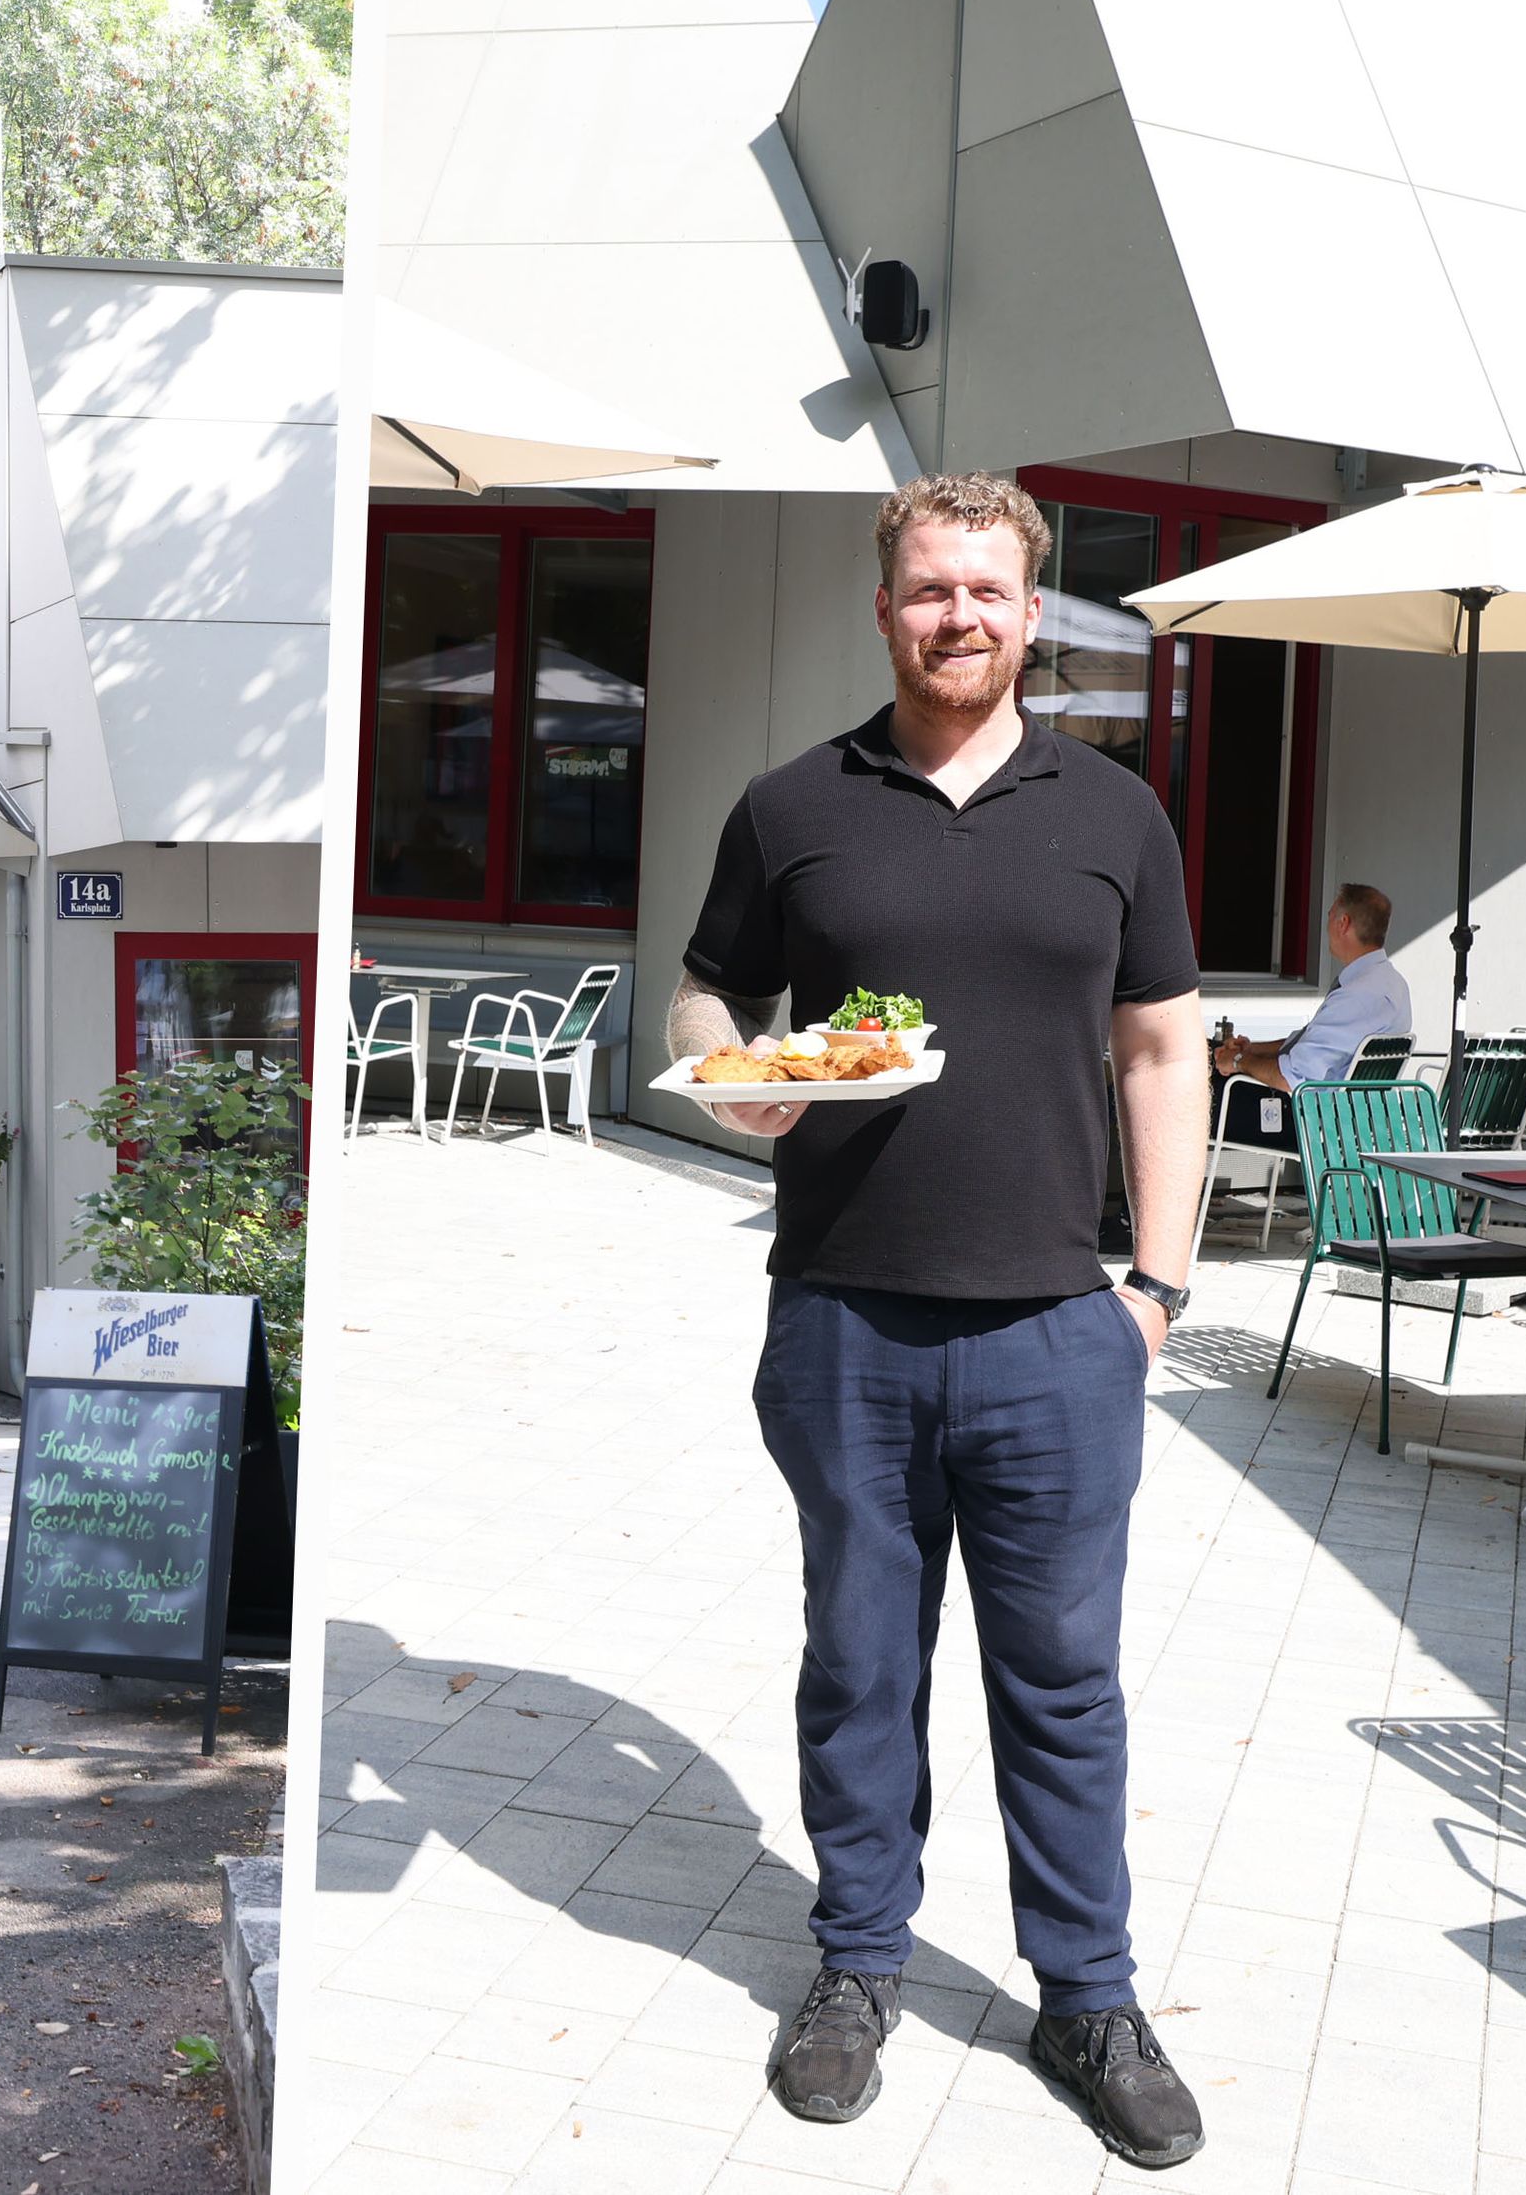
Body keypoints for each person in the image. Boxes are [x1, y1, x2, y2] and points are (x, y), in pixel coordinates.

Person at [671, 473, 1210, 2171]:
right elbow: (707, 985)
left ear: (1033, 612)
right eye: (928, 589)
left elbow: (1162, 1050)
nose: (959, 616)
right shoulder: (791, 804)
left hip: (1061, 1326)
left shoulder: (1115, 815)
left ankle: (1091, 1995)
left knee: (1064, 1684)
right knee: (862, 1665)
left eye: (989, 589)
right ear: (884, 605)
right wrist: (732, 1081)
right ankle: (855, 1966)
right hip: (843, 1321)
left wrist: (1159, 1288)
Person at [1208, 886, 1411, 1156]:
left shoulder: (1357, 996)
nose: (1326, 924)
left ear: (1343, 923)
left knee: (1195, 1086)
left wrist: (1236, 1062)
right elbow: (1309, 1040)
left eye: (1329, 915)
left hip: (1311, 1124)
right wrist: (1252, 1049)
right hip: (1351, 1118)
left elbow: (1292, 1077)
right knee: (1207, 1053)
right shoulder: (1392, 984)